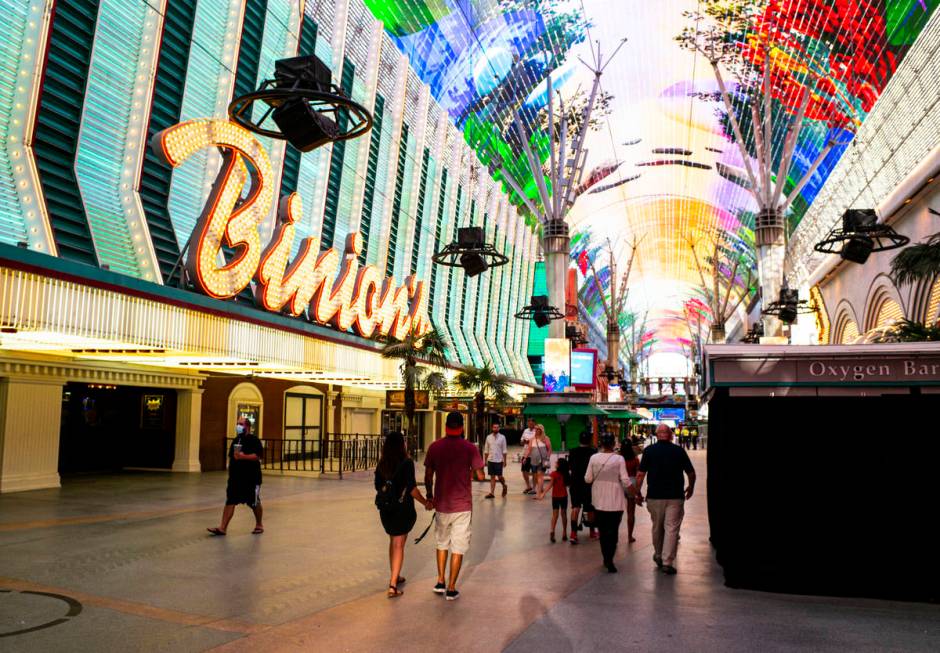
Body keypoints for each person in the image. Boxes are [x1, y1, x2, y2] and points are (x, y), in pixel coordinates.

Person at [424, 412, 485, 601]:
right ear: (462, 427)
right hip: (462, 506)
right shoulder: (469, 448)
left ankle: (440, 581)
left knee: (442, 543)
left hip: (442, 504)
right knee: (458, 547)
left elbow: (428, 476)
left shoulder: (435, 447)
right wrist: (469, 472)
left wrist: (430, 495)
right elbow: (481, 476)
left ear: (445, 426)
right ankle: (451, 588)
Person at [375, 431, 433, 598]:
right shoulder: (407, 463)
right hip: (402, 509)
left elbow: (378, 486)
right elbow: (412, 489)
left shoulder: (382, 464)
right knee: (399, 544)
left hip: (386, 509)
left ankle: (395, 573)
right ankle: (393, 585)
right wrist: (426, 503)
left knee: (393, 540)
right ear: (401, 445)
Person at [635, 423, 696, 575]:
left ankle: (658, 555)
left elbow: (640, 475)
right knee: (672, 529)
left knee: (657, 527)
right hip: (675, 496)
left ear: (656, 435)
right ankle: (667, 561)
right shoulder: (678, 451)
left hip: (655, 497)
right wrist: (691, 487)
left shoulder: (649, 451)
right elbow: (691, 473)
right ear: (670, 435)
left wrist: (637, 493)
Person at [585, 433, 633, 573]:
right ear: (613, 444)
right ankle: (610, 558)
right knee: (613, 530)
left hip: (598, 499)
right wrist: (634, 492)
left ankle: (606, 557)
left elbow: (587, 479)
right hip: (615, 500)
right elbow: (625, 480)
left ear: (601, 443)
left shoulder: (594, 458)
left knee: (603, 531)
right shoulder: (619, 459)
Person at [208, 417, 264, 536]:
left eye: (240, 424)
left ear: (247, 426)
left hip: (251, 478)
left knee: (254, 502)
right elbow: (232, 456)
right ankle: (222, 527)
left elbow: (257, 456)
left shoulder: (254, 440)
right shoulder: (236, 440)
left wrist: (243, 456)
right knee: (230, 501)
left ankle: (259, 524)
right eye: (237, 424)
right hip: (236, 478)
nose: (238, 426)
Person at [567, 430, 597, 544]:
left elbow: (570, 467)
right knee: (590, 509)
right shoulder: (593, 452)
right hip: (588, 484)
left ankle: (573, 534)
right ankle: (592, 532)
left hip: (575, 483)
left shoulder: (572, 452)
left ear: (579, 440)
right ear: (589, 440)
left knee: (575, 508)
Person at [523, 424, 552, 500]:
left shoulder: (545, 438)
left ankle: (538, 494)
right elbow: (529, 449)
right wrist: (525, 457)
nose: (536, 431)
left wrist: (547, 458)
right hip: (533, 460)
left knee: (540, 476)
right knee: (536, 476)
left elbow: (549, 449)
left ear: (541, 430)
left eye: (538, 429)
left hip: (542, 460)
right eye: (536, 429)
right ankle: (540, 490)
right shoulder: (532, 439)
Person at [621, 438, 640, 543]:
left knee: (617, 511)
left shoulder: (618, 458)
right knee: (631, 512)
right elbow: (638, 475)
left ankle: (614, 535)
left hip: (620, 483)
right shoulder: (635, 459)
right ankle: (629, 536)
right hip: (631, 483)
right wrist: (638, 491)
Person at [483, 422, 508, 499]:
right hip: (490, 459)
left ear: (499, 428)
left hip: (499, 460)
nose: (495, 429)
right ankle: (492, 493)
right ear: (492, 428)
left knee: (499, 477)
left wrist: (505, 461)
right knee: (492, 477)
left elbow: (504, 450)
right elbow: (486, 450)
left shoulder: (502, 437)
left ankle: (504, 485)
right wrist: (485, 460)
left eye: (497, 427)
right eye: (494, 427)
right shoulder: (488, 437)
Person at [549, 457, 570, 542]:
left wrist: (542, 493)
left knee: (555, 515)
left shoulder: (554, 474)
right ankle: (564, 532)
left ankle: (552, 531)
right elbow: (569, 485)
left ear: (559, 465)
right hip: (564, 496)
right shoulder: (566, 474)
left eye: (557, 463)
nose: (555, 463)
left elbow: (550, 485)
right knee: (563, 514)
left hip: (555, 497)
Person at [520, 418, 536, 494]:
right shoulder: (525, 430)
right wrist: (523, 441)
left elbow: (537, 441)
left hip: (534, 454)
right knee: (524, 471)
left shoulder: (537, 431)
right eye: (528, 423)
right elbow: (521, 441)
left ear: (534, 423)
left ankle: (534, 488)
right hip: (525, 453)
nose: (529, 424)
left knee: (534, 471)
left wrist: (529, 441)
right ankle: (528, 486)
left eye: (531, 423)